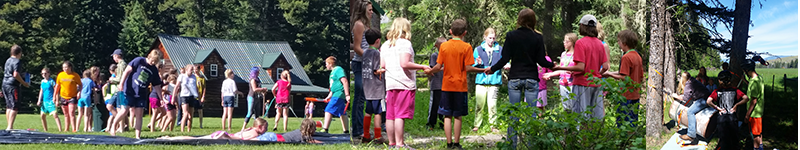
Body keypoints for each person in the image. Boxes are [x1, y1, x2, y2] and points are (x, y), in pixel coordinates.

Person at [484, 9, 555, 148]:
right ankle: (531, 145)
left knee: (513, 113)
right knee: (532, 114)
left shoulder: (511, 36)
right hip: (532, 79)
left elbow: (505, 58)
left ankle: (512, 145)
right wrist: (552, 65)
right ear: (533, 20)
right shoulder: (537, 37)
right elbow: (541, 60)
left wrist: (492, 69)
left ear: (519, 20)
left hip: (515, 78)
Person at [428, 18, 484, 150]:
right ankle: (457, 143)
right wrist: (483, 70)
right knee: (457, 115)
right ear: (464, 33)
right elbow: (468, 68)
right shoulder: (467, 47)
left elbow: (438, 65)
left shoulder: (444, 46)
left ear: (450, 31)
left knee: (447, 115)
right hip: (460, 86)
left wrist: (429, 71)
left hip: (446, 85)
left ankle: (449, 143)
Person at [551, 14, 608, 120]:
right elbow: (605, 66)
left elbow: (580, 67)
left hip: (582, 84)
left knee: (581, 118)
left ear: (583, 26)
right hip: (597, 84)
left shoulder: (580, 43)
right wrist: (597, 74)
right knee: (595, 118)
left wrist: (560, 68)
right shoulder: (600, 44)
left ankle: (580, 137)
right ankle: (596, 137)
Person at [113, 50, 164, 139]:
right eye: (152, 60)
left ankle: (137, 136)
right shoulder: (139, 61)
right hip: (129, 90)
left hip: (141, 94)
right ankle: (113, 126)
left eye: (155, 62)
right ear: (149, 56)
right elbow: (126, 71)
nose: (153, 63)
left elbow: (157, 86)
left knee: (139, 114)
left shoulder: (154, 70)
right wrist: (121, 83)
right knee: (124, 110)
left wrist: (161, 98)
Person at [602, 30, 644, 127]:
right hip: (636, 95)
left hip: (626, 96)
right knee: (633, 122)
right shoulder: (637, 56)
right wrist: (609, 73)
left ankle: (624, 141)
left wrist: (611, 75)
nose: (618, 44)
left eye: (619, 41)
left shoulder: (626, 57)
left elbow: (624, 77)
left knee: (623, 123)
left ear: (624, 43)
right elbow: (637, 75)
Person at [705, 70, 748, 149]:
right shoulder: (735, 90)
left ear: (719, 80)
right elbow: (746, 98)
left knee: (724, 140)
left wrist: (717, 108)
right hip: (733, 118)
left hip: (722, 119)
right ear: (730, 80)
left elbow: (708, 101)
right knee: (734, 139)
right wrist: (736, 105)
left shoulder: (717, 91)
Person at [472, 28, 504, 133]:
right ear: (485, 37)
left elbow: (504, 61)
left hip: (494, 81)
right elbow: (472, 65)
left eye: (493, 38)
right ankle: (477, 125)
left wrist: (507, 65)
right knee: (479, 105)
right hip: (481, 81)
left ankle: (493, 125)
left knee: (492, 105)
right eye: (490, 38)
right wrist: (477, 62)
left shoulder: (499, 49)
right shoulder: (478, 49)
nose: (491, 40)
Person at [350, 0, 373, 139]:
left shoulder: (367, 25)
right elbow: (357, 48)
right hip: (360, 64)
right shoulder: (359, 25)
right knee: (359, 98)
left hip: (367, 63)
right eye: (369, 10)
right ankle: (357, 129)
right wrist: (370, 56)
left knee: (363, 97)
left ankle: (360, 128)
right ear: (363, 10)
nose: (371, 12)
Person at [669, 71, 711, 141]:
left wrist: (676, 96)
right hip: (707, 97)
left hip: (704, 99)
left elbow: (685, 98)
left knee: (690, 112)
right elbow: (689, 95)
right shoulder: (693, 81)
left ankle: (691, 135)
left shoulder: (688, 84)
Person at [360, 28, 384, 143]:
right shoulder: (376, 53)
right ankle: (378, 136)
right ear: (378, 40)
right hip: (376, 88)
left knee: (368, 112)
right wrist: (384, 69)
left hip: (367, 87)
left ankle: (366, 134)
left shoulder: (365, 52)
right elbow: (376, 70)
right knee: (378, 113)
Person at [545, 33, 578, 110]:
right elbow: (561, 69)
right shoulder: (563, 54)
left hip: (572, 84)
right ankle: (566, 120)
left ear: (573, 42)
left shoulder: (576, 54)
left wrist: (573, 71)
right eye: (564, 41)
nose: (564, 43)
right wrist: (551, 74)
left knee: (574, 105)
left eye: (567, 41)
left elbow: (580, 68)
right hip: (563, 84)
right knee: (565, 107)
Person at [159, 118, 268, 140]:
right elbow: (242, 139)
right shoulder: (254, 133)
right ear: (259, 127)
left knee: (193, 138)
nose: (266, 130)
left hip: (222, 134)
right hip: (224, 136)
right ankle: (169, 139)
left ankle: (169, 138)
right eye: (265, 128)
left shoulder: (249, 129)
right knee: (193, 139)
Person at [3, 45, 31, 130]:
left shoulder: (8, 60)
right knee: (15, 106)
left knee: (9, 106)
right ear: (19, 53)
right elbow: (15, 74)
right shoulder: (17, 61)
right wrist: (23, 82)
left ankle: (9, 126)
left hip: (5, 83)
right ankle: (10, 127)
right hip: (13, 85)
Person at [321, 56, 350, 134]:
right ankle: (346, 131)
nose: (326, 65)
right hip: (335, 93)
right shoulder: (332, 72)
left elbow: (345, 81)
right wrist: (328, 96)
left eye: (326, 64)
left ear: (330, 64)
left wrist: (347, 95)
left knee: (328, 110)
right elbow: (333, 87)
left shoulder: (338, 70)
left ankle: (325, 129)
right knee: (342, 112)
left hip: (339, 93)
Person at [742, 60, 765, 150]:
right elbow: (752, 88)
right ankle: (761, 147)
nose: (744, 72)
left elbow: (753, 101)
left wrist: (747, 115)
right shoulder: (758, 78)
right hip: (757, 111)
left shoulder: (755, 82)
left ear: (747, 70)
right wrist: (744, 80)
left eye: (744, 71)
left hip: (754, 113)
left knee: (755, 135)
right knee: (758, 132)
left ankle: (756, 148)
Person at [426, 37, 446, 131]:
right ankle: (431, 124)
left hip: (446, 84)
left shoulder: (448, 55)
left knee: (444, 105)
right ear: (437, 46)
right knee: (434, 105)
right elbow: (433, 69)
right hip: (437, 84)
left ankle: (443, 124)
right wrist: (444, 68)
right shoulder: (434, 55)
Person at [55, 61, 82, 132]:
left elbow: (80, 85)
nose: (64, 69)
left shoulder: (75, 75)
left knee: (71, 113)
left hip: (72, 97)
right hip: (63, 96)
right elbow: (57, 86)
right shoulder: (60, 75)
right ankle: (66, 128)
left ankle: (74, 129)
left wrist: (79, 92)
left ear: (70, 67)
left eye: (66, 67)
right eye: (63, 67)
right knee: (66, 114)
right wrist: (55, 96)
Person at [242, 66, 269, 131]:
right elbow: (254, 89)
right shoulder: (252, 79)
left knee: (257, 113)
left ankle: (256, 128)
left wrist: (262, 92)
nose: (259, 73)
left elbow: (258, 89)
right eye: (258, 72)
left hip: (257, 97)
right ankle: (243, 128)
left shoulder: (257, 79)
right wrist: (263, 89)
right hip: (251, 97)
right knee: (250, 112)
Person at [108, 49, 129, 131]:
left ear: (116, 56)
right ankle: (122, 126)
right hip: (120, 89)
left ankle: (121, 126)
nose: (113, 58)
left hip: (121, 89)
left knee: (116, 107)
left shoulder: (121, 65)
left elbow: (120, 79)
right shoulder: (123, 64)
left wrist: (112, 79)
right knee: (118, 108)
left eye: (113, 56)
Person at [173, 64, 198, 132]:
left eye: (192, 70)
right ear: (186, 70)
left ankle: (189, 129)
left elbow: (195, 87)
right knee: (185, 113)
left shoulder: (194, 77)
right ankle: (182, 130)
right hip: (184, 96)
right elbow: (176, 86)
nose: (192, 71)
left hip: (192, 96)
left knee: (191, 115)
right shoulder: (182, 76)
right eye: (191, 70)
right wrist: (173, 97)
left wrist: (198, 95)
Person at [38, 67, 62, 131]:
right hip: (45, 101)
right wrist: (39, 100)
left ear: (48, 73)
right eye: (42, 74)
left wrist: (57, 100)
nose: (44, 75)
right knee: (42, 115)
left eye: (45, 73)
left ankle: (60, 130)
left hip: (51, 100)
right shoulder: (42, 81)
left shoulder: (51, 81)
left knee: (55, 115)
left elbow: (56, 91)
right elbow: (41, 91)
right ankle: (45, 129)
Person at [103, 64, 120, 133]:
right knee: (112, 114)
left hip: (108, 97)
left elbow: (104, 87)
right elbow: (104, 87)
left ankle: (116, 126)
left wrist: (104, 96)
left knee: (112, 114)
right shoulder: (113, 77)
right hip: (111, 96)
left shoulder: (111, 78)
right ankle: (109, 127)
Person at [194, 64, 206, 129]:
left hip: (200, 96)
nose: (195, 71)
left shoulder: (202, 77)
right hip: (194, 96)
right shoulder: (193, 77)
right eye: (194, 69)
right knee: (191, 110)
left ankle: (201, 124)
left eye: (196, 69)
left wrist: (203, 96)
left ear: (199, 70)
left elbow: (204, 88)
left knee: (200, 111)